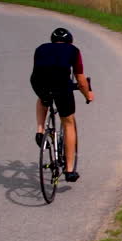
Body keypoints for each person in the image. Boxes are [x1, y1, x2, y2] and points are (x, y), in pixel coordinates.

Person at [31, 27, 93, 181]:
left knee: (43, 98)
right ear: (70, 41)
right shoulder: (73, 50)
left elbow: (40, 71)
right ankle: (70, 170)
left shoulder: (40, 48)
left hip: (39, 84)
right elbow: (80, 80)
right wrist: (88, 94)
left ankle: (40, 130)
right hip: (61, 87)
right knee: (68, 123)